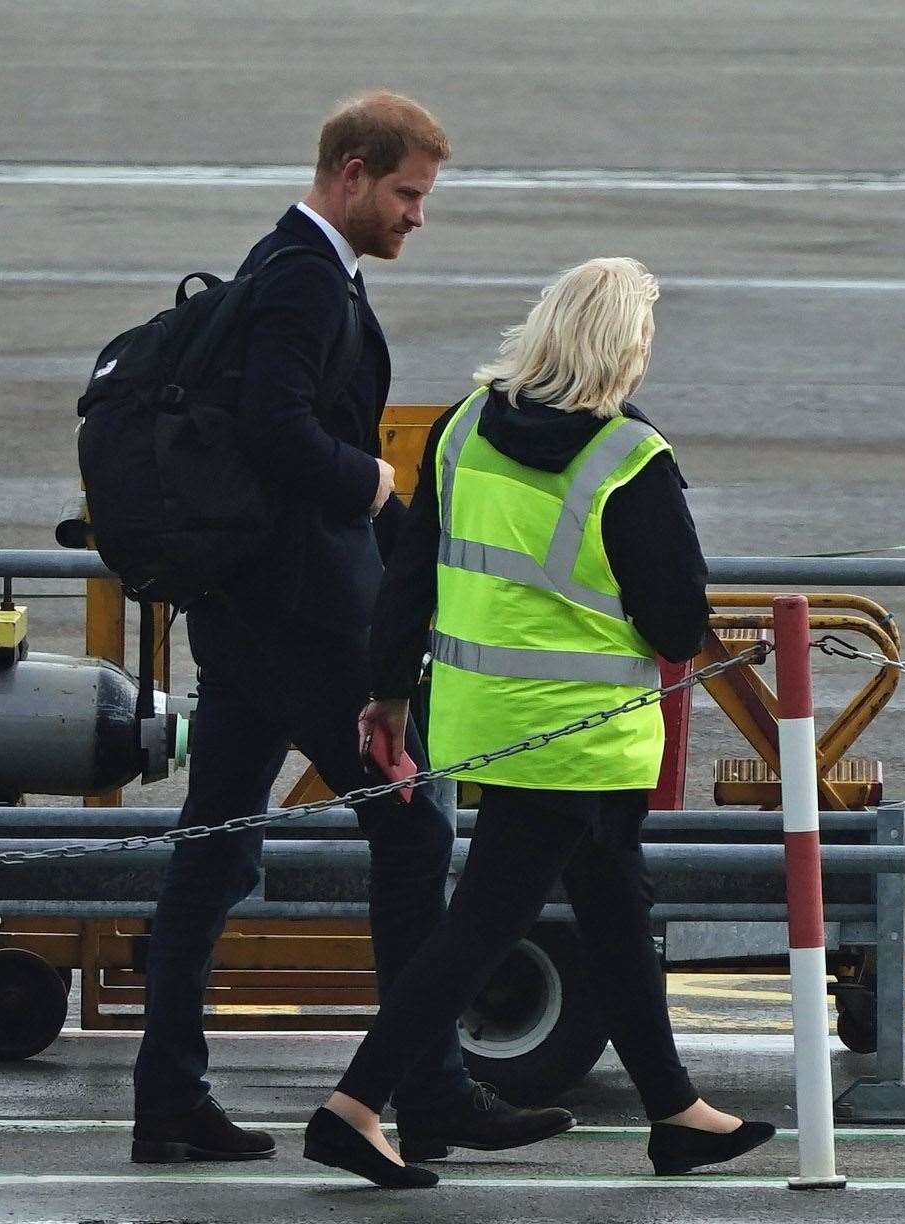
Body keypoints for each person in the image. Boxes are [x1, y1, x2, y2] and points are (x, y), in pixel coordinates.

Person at [131, 92, 572, 1165]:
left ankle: (172, 1101)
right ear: (352, 173)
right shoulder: (301, 280)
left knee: (214, 853)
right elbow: (276, 433)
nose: (419, 215)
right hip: (298, 622)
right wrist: (373, 479)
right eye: (409, 194)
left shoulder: (291, 267)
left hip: (249, 619)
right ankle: (425, 1088)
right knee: (413, 830)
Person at [303, 258, 776, 1188]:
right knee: (482, 924)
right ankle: (352, 1107)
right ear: (623, 349)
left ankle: (675, 1110)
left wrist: (389, 692)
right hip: (587, 731)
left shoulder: (462, 427)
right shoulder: (629, 455)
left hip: (493, 721)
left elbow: (410, 572)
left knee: (613, 911)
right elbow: (678, 621)